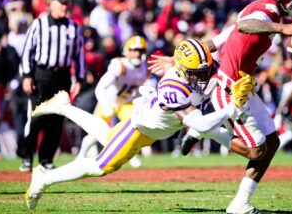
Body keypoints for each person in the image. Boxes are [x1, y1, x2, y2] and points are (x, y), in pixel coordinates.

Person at [24, 39, 255, 210]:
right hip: (141, 127)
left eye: (205, 69)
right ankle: (44, 178)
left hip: (156, 129)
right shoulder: (174, 88)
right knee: (102, 166)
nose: (205, 74)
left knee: (107, 137)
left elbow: (227, 52)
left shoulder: (199, 67)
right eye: (199, 72)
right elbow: (200, 124)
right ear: (183, 69)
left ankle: (64, 107)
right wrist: (230, 109)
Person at [149, 0, 292, 213]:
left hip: (243, 84)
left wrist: (174, 59)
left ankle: (240, 203)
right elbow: (245, 26)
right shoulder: (265, 9)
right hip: (230, 87)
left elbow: (217, 41)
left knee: (273, 142)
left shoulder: (262, 10)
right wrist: (283, 28)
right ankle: (207, 128)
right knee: (257, 150)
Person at [17, 0, 85, 172]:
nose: (65, 7)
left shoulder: (74, 27)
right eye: (62, 3)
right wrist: (27, 76)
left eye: (67, 4)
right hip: (41, 75)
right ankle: (27, 156)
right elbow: (27, 52)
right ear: (52, 4)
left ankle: (46, 159)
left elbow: (79, 55)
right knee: (37, 117)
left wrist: (78, 79)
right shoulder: (39, 24)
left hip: (62, 76)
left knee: (56, 121)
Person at [77, 35, 150, 168]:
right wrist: (105, 105)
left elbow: (141, 89)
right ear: (126, 51)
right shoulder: (119, 65)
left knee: (135, 128)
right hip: (110, 101)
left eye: (140, 51)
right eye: (134, 50)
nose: (137, 54)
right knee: (94, 132)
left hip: (126, 103)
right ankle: (80, 156)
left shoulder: (145, 68)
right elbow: (100, 87)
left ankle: (132, 155)